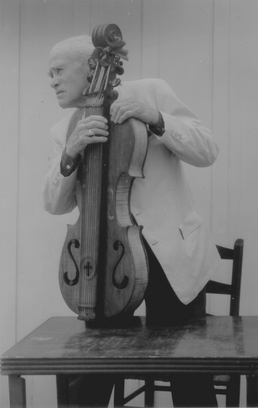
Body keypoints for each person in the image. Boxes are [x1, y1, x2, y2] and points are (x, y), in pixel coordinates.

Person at [42, 35, 220, 407]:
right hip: (106, 263)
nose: (52, 81)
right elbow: (54, 204)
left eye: (58, 71)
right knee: (94, 374)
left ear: (91, 66)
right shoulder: (63, 131)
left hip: (172, 256)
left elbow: (207, 150)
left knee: (188, 375)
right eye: (50, 74)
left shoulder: (151, 92)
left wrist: (155, 117)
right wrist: (72, 151)